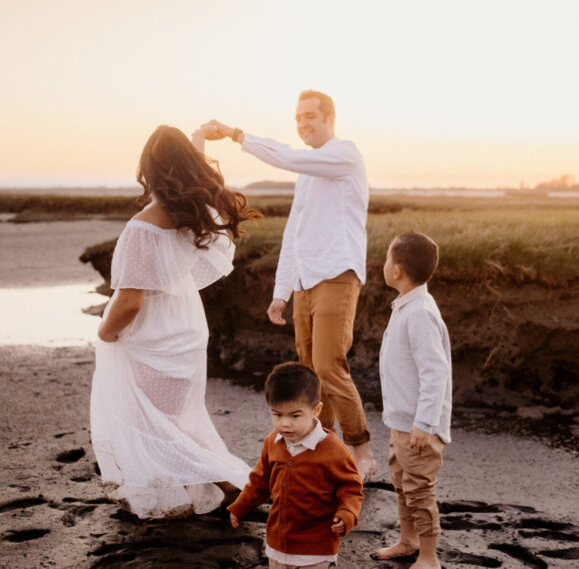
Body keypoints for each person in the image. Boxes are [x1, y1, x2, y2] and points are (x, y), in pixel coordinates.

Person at [194, 90, 377, 482]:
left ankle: (361, 449)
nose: (303, 124)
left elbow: (291, 157)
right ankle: (323, 451)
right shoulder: (307, 177)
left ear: (330, 118)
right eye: (298, 118)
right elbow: (294, 234)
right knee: (310, 373)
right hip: (306, 283)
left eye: (310, 116)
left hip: (338, 274)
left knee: (330, 365)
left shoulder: (344, 154)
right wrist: (281, 292)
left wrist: (235, 134)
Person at [91, 125, 259, 519]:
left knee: (152, 422)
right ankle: (220, 486)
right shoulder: (197, 218)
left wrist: (105, 330)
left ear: (148, 169)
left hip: (152, 337)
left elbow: (130, 302)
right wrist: (196, 140)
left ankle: (234, 485)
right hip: (184, 329)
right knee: (178, 418)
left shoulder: (142, 229)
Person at [228, 362, 363, 569]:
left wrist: (347, 514)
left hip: (317, 550)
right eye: (277, 414)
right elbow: (259, 482)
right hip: (277, 546)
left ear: (316, 410)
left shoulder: (335, 451)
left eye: (295, 416)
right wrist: (240, 506)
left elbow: (351, 489)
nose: (285, 424)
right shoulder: (272, 443)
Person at [371, 233, 452, 568]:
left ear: (398, 270)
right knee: (403, 485)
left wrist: (424, 422)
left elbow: (435, 372)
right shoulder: (406, 304)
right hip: (401, 421)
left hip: (418, 426)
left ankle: (429, 557)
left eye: (387, 259)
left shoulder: (419, 312)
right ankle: (408, 541)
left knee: (419, 490)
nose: (384, 264)